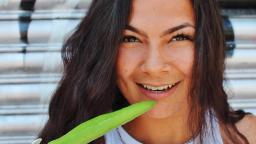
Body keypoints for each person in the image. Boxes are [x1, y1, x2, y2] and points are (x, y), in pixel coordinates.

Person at [38, 0, 256, 143]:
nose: (153, 67)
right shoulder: (76, 139)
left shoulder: (246, 137)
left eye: (179, 37)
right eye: (130, 38)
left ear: (206, 45)